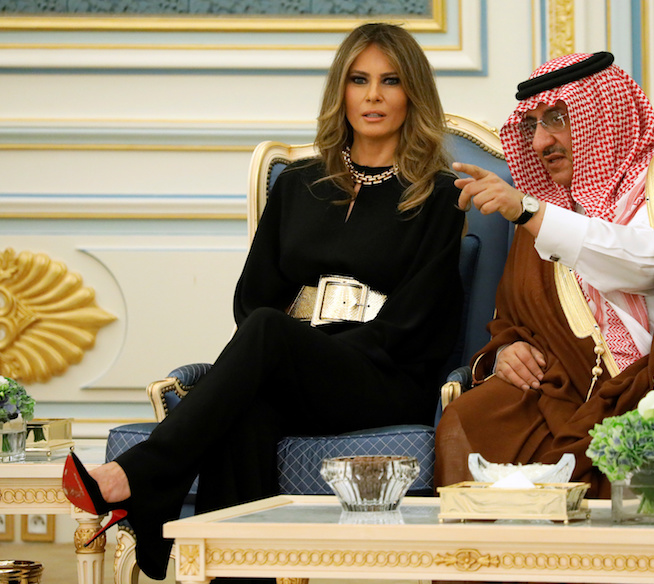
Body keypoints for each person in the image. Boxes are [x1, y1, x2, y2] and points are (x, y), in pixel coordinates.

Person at [62, 22, 465, 581]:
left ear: (412, 93)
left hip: (382, 376)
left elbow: (419, 321)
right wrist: (296, 356)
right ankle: (237, 573)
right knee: (247, 409)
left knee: (271, 335)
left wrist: (309, 350)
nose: (373, 96)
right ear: (340, 91)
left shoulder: (440, 194)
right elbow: (253, 298)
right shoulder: (298, 184)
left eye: (390, 81)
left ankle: (137, 476)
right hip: (291, 366)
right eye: (359, 80)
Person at [434, 51, 654, 501]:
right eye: (531, 126)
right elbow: (519, 315)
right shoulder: (544, 206)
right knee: (471, 421)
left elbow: (646, 265)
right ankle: (508, 570)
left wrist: (529, 211)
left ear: (602, 113)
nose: (540, 142)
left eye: (556, 118)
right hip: (577, 388)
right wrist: (509, 349)